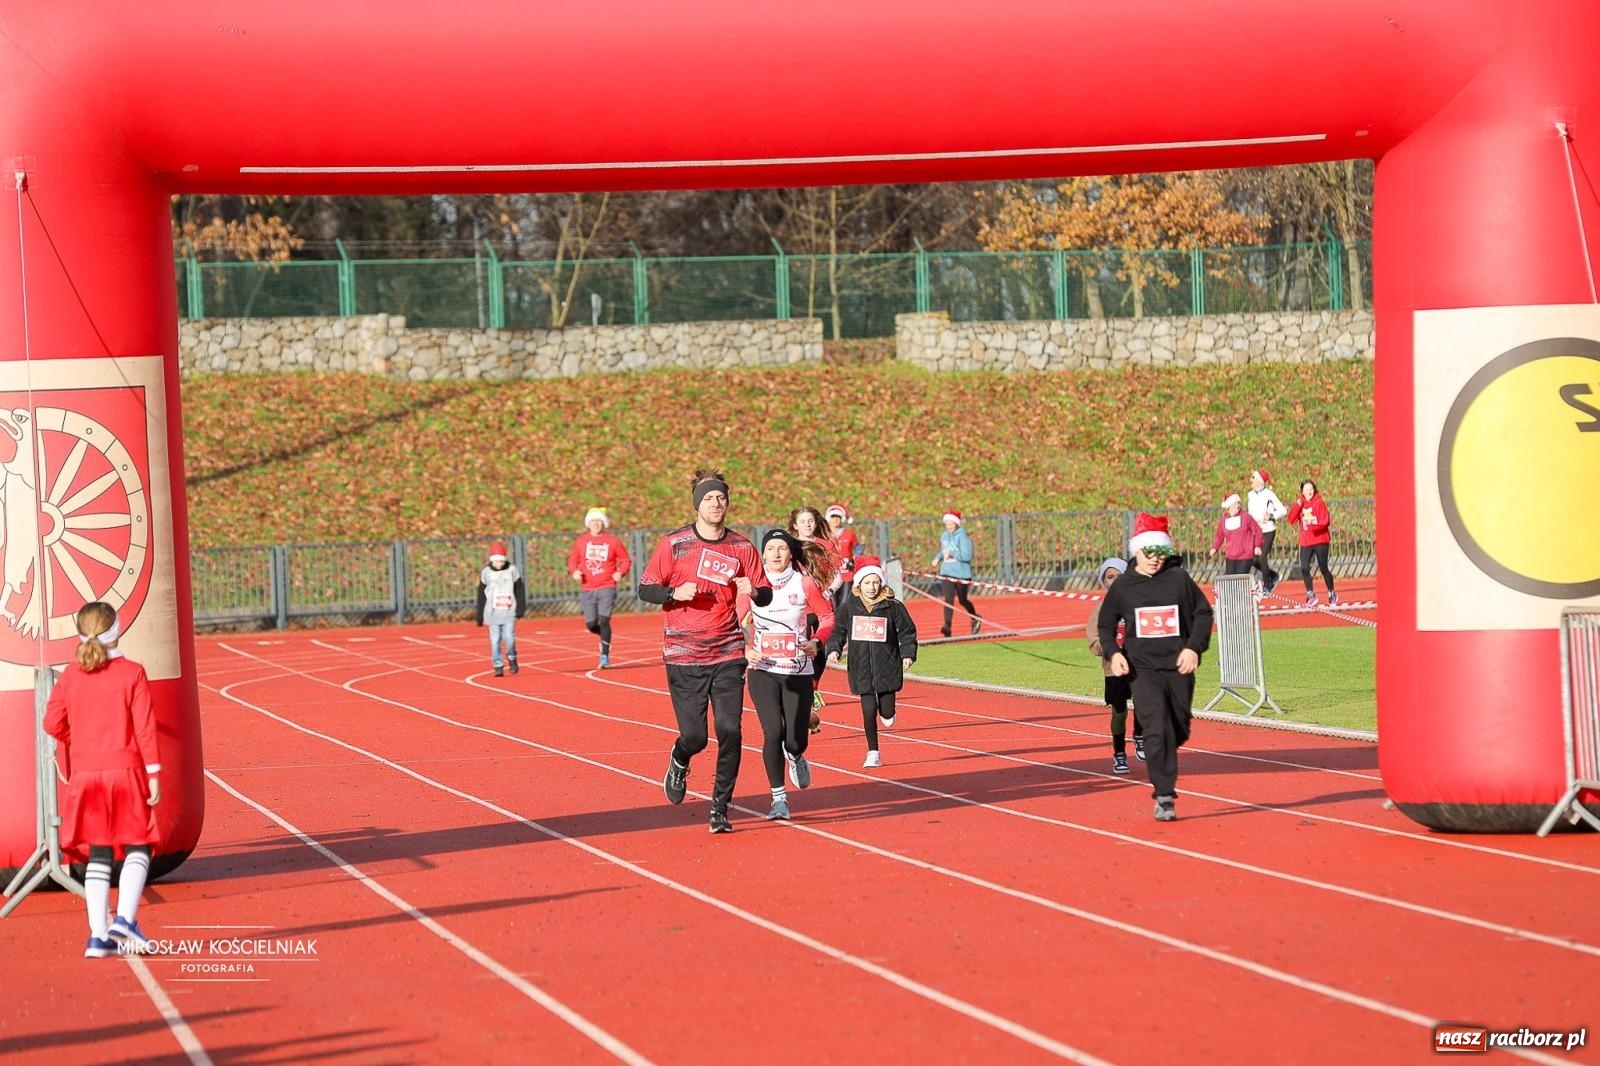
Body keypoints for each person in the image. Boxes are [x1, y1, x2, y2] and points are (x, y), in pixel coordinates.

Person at [638, 469, 771, 834]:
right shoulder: (675, 544)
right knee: (695, 736)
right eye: (710, 498)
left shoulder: (742, 546)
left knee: (731, 730)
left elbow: (765, 592)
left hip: (728, 651)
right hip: (683, 653)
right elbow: (645, 588)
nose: (717, 504)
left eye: (722, 498)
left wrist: (754, 591)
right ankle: (681, 758)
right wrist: (672, 594)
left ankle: (720, 807)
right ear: (698, 504)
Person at [43, 602, 161, 958]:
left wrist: (78, 741)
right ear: (117, 630)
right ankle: (125, 918)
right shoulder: (133, 673)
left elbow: (51, 723)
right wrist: (153, 772)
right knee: (138, 845)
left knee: (98, 851)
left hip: (86, 776)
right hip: (124, 773)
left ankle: (98, 936)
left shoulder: (71, 675)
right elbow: (145, 728)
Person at [1098, 513, 1213, 822]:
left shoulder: (1178, 580)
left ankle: (1169, 747)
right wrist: (1113, 653)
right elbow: (1105, 624)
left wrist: (1193, 647)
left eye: (1159, 553)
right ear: (1137, 551)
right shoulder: (1123, 586)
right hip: (1143, 670)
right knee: (1155, 728)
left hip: (1178, 667)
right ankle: (1164, 795)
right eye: (1148, 553)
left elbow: (1203, 614)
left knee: (1177, 727)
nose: (1153, 560)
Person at [745, 528, 835, 820]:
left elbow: (827, 617)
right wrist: (747, 649)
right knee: (773, 733)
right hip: (763, 670)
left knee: (795, 740)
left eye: (782, 548)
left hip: (797, 670)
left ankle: (796, 755)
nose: (776, 553)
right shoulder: (751, 587)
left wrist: (817, 642)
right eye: (770, 548)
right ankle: (779, 800)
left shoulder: (804, 583)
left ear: (790, 553)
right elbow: (733, 622)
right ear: (763, 554)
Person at [825, 555, 918, 768]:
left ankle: (889, 711)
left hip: (887, 665)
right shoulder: (849, 608)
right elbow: (838, 632)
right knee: (868, 710)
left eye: (876, 582)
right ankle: (873, 751)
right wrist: (833, 650)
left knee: (886, 711)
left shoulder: (893, 607)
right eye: (867, 582)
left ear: (881, 583)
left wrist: (907, 654)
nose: (872, 587)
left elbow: (907, 632)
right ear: (859, 583)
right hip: (861, 667)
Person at [1085, 557, 1143, 774]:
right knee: (1119, 712)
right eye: (1110, 577)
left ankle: (1140, 735)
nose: (1115, 581)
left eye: (1119, 576)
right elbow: (1093, 640)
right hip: (1114, 667)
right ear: (1104, 582)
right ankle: (1119, 752)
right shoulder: (1102, 609)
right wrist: (1109, 647)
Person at [567, 507, 631, 669]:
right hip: (588, 587)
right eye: (593, 521)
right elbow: (573, 560)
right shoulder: (582, 541)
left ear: (604, 523)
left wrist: (620, 573)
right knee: (591, 624)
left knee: (604, 620)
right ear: (588, 524)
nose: (596, 524)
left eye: (599, 521)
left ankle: (604, 655)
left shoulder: (612, 541)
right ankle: (604, 637)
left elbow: (625, 560)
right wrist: (575, 571)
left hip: (607, 586)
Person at [1284, 479, 1337, 606]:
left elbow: (1325, 521)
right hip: (1306, 541)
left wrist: (1313, 526)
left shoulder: (1319, 503)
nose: (1309, 492)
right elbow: (1291, 519)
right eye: (1306, 489)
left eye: (1311, 489)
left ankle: (1331, 593)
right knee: (1304, 567)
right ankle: (1310, 594)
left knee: (1323, 568)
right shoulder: (1300, 504)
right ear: (1302, 492)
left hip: (1320, 540)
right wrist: (1297, 505)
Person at [476, 542, 526, 677]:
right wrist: (480, 615)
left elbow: (519, 590)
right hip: (492, 613)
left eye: (501, 561)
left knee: (509, 637)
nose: (499, 564)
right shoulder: (486, 573)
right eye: (496, 561)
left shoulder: (512, 570)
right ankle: (497, 664)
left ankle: (511, 657)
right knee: (495, 640)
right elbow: (481, 594)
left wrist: (521, 609)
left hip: (509, 611)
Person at [933, 508, 980, 637]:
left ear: (956, 523)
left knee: (963, 600)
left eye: (950, 522)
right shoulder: (944, 535)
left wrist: (952, 553)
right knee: (948, 599)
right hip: (947, 572)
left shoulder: (963, 536)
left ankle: (975, 618)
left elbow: (967, 555)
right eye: (946, 523)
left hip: (961, 573)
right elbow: (944, 551)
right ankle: (947, 627)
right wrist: (938, 558)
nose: (948, 525)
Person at [1245, 469, 1288, 593]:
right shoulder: (1250, 495)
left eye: (1253, 477)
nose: (1250, 480)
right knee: (1252, 559)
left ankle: (1267, 584)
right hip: (1255, 531)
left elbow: (1282, 510)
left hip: (1268, 529)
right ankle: (1272, 575)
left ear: (1259, 480)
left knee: (1262, 556)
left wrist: (1271, 515)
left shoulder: (1269, 494)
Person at [1208, 493, 1264, 576]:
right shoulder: (1224, 520)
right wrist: (1214, 547)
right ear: (1229, 506)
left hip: (1245, 555)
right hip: (1230, 555)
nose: (1237, 505)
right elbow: (1219, 536)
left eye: (1239, 503)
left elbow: (1257, 530)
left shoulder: (1246, 517)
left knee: (1241, 579)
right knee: (1231, 580)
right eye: (1235, 503)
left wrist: (1257, 546)